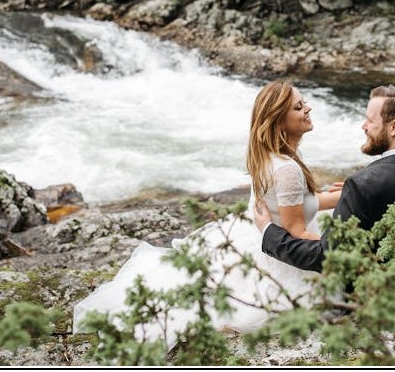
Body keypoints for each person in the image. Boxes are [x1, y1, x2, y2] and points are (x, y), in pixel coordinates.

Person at [72, 80, 341, 348]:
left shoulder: (271, 156)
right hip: (281, 253)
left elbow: (296, 203)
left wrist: (347, 194)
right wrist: (344, 258)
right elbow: (297, 234)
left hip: (253, 234)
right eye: (298, 107)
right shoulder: (287, 169)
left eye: (303, 103)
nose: (308, 108)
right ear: (279, 121)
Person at [254, 84, 395, 295]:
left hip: (374, 301)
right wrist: (350, 197)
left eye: (371, 120)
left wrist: (269, 233)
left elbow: (327, 257)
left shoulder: (362, 184)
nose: (364, 126)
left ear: (394, 127)